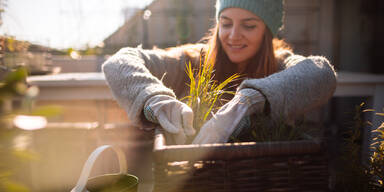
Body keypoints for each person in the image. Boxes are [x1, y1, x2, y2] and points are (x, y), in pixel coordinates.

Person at [102, 0, 337, 145]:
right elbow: (119, 62)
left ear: (267, 31)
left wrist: (247, 102)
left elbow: (322, 73)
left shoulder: (280, 65)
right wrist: (155, 99)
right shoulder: (194, 61)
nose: (234, 35)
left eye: (249, 25)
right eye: (226, 24)